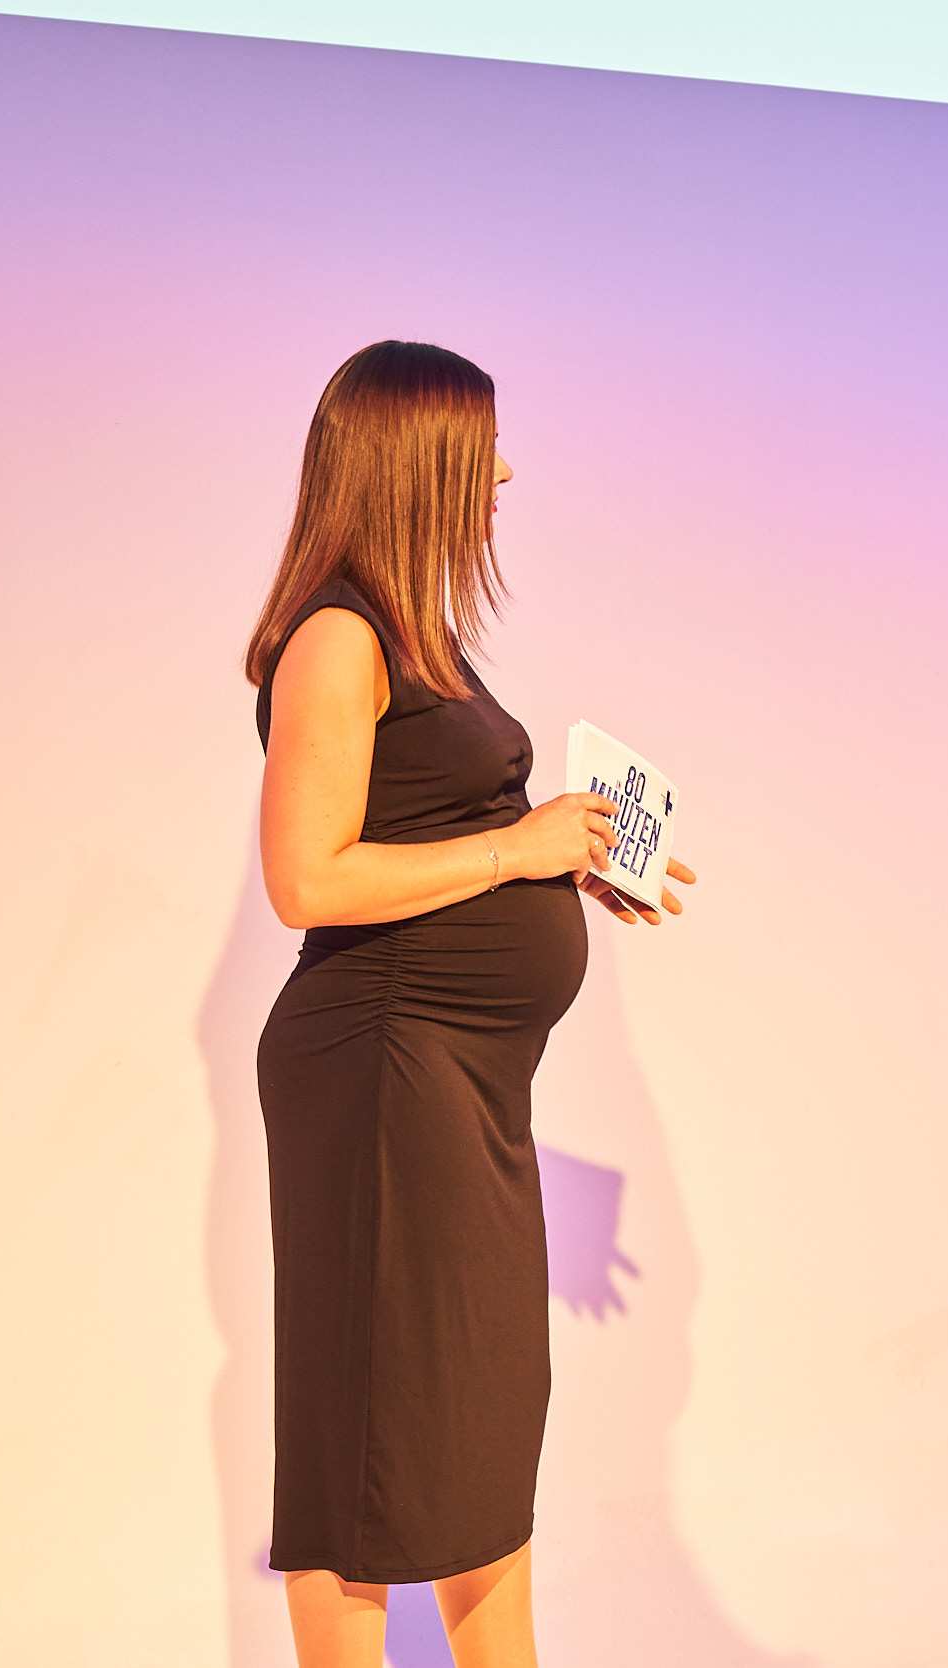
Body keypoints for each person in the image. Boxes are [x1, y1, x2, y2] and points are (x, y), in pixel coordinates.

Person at [245, 341, 697, 1668]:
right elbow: (305, 876)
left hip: (459, 1091)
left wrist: (573, 871)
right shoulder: (338, 635)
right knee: (369, 1437)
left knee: (475, 1427)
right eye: (480, 447)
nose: (501, 473)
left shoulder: (420, 637)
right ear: (418, 461)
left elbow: (428, 835)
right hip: (383, 1077)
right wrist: (519, 855)